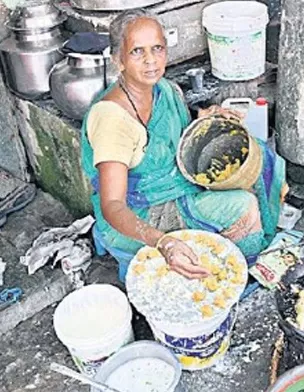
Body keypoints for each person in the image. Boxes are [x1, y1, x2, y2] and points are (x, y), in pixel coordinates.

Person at [80, 9, 287, 280]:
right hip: (138, 212)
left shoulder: (164, 90)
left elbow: (174, 135)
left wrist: (205, 117)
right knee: (243, 206)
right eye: (137, 52)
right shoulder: (113, 120)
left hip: (172, 183)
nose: (151, 61)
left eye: (157, 48)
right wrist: (163, 242)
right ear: (118, 59)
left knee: (260, 157)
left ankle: (230, 255)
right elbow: (113, 206)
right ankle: (236, 275)